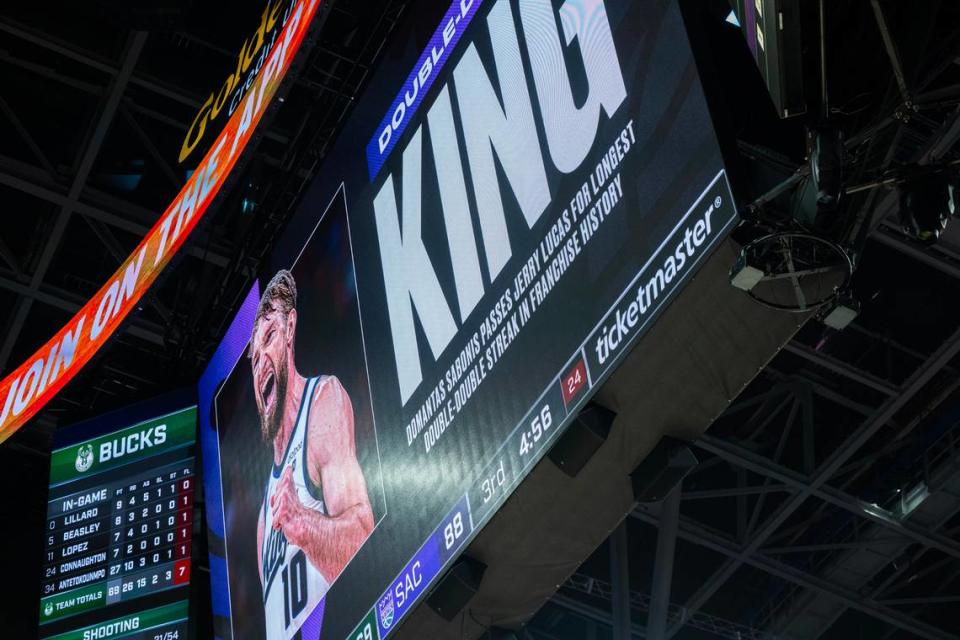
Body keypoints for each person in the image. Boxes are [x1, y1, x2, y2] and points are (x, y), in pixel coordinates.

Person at [252, 269, 374, 639]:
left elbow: (365, 544)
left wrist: (302, 524)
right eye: (253, 360)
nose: (261, 366)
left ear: (290, 329)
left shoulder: (323, 403)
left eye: (269, 336)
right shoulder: (262, 523)